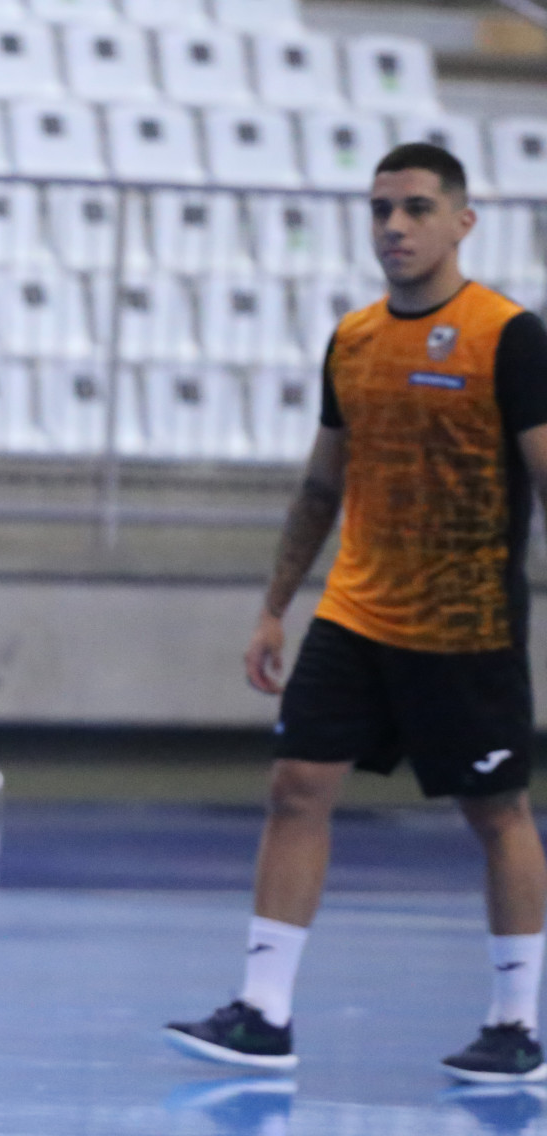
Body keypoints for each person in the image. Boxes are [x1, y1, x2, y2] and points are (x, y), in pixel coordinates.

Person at [166, 142, 547, 1083]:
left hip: (466, 622)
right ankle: (265, 1011)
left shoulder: (509, 335)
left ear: (462, 220)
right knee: (296, 785)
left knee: (495, 809)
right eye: (381, 209)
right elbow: (319, 486)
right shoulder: (354, 338)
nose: (394, 226)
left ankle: (516, 1022)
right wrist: (272, 608)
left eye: (416, 208)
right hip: (356, 608)